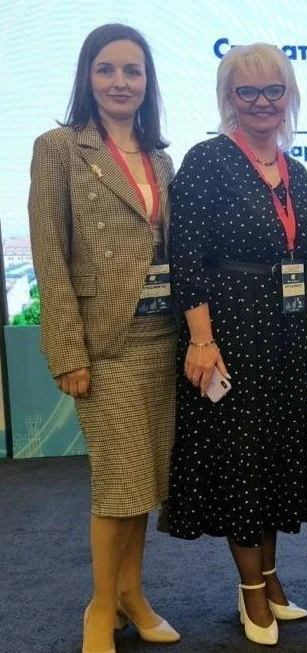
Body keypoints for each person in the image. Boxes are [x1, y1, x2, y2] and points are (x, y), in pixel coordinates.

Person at [165, 43, 307, 646]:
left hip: (287, 337)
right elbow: (185, 257)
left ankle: (273, 581)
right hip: (229, 335)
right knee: (241, 463)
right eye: (248, 91)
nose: (262, 102)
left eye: (273, 90)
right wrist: (201, 339)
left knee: (273, 461)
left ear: (289, 95)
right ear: (228, 97)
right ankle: (251, 593)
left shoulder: (298, 171)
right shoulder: (206, 160)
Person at [28, 23, 180, 653]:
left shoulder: (161, 157)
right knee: (118, 481)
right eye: (107, 69)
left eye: (132, 71)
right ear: (87, 77)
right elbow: (50, 255)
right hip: (104, 343)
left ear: (147, 82)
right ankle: (99, 605)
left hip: (162, 338)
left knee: (145, 480)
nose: (121, 82)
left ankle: (131, 595)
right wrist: (67, 351)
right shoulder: (60, 148)